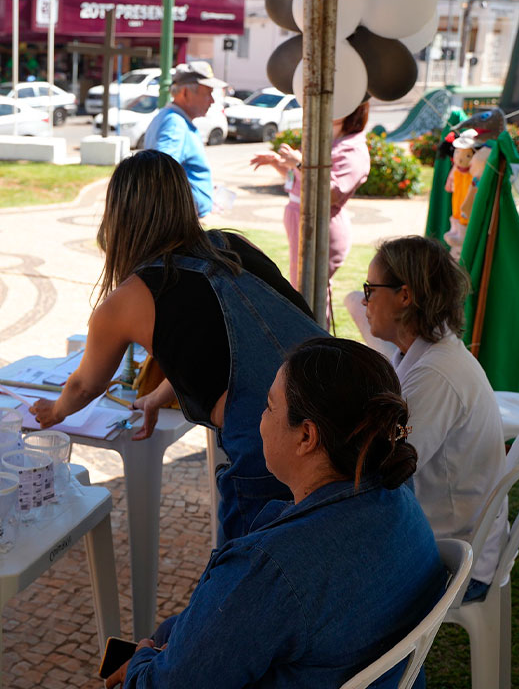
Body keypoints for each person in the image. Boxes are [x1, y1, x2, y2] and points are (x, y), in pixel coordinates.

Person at [19, 337, 447, 689]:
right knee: (172, 634)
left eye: (268, 406)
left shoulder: (273, 568)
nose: (258, 421)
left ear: (306, 436)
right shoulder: (399, 504)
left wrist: (141, 665)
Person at [30, 150, 323, 544]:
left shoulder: (129, 300)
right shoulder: (231, 247)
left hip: (272, 451)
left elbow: (85, 385)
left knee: (248, 576)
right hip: (331, 419)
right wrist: (159, 394)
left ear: (118, 217)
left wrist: (54, 411)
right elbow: (227, 348)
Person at [362, 235, 506, 603]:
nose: (364, 301)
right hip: (450, 535)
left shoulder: (436, 374)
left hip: (454, 558)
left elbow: (385, 471)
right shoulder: (428, 356)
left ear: (405, 296)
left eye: (370, 289)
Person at [250, 99, 371, 319]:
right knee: (303, 292)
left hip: (322, 227)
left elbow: (332, 192)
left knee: (311, 296)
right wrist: (282, 164)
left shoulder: (354, 149)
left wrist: (299, 163)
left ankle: (316, 346)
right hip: (305, 222)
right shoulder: (327, 140)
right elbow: (302, 182)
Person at [142, 61, 226, 218]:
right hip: (184, 221)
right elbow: (162, 174)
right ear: (185, 93)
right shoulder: (175, 124)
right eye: (207, 93)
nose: (212, 100)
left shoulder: (172, 119)